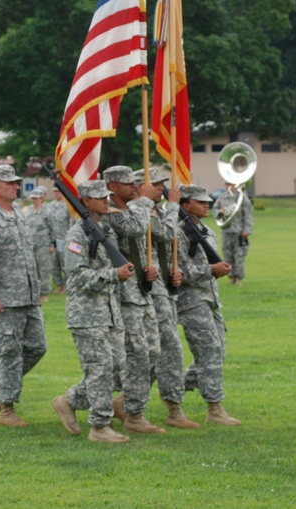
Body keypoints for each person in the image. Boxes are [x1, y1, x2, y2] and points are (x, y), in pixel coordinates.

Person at [51, 179, 134, 443]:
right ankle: (99, 427)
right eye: (100, 198)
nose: (106, 201)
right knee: (99, 369)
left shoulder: (105, 230)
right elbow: (75, 278)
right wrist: (113, 274)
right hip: (86, 314)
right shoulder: (76, 235)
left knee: (116, 367)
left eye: (107, 196)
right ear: (85, 201)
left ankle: (69, 400)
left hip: (108, 312)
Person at [0, 164, 47, 428]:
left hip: (26, 297)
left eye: (16, 182)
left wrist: (35, 291)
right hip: (3, 300)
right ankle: (7, 410)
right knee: (10, 353)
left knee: (37, 347)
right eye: (10, 183)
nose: (16, 186)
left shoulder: (17, 214)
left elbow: (27, 258)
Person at [102, 165, 164, 434]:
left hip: (141, 291)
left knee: (152, 353)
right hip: (124, 297)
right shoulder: (112, 214)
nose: (135, 187)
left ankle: (126, 403)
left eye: (135, 183)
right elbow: (137, 229)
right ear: (113, 187)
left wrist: (150, 269)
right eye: (128, 184)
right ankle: (133, 414)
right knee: (136, 355)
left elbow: (140, 248)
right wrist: (146, 200)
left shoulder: (129, 209)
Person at [138, 167, 199, 429]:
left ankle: (130, 402)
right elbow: (166, 234)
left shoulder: (157, 211)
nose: (163, 189)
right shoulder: (142, 211)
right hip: (146, 287)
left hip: (163, 284)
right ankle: (173, 408)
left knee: (157, 349)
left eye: (163, 184)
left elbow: (166, 246)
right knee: (165, 347)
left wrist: (175, 272)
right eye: (158, 184)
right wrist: (174, 206)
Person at [177, 184, 240, 426]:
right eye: (200, 201)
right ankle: (214, 408)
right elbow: (177, 271)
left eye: (207, 201)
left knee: (218, 352)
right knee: (209, 351)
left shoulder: (207, 231)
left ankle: (175, 387)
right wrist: (210, 270)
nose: (207, 205)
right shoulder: (177, 233)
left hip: (211, 299)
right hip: (191, 301)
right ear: (185, 205)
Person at [212, 182, 254, 284]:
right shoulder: (222, 197)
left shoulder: (242, 197)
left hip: (239, 231)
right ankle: (231, 277)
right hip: (226, 230)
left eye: (231, 184)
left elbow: (248, 214)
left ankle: (239, 278)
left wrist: (247, 230)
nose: (228, 186)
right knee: (227, 254)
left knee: (239, 255)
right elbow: (215, 208)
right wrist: (220, 212)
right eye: (226, 184)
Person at [25, 187, 53, 303]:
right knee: (32, 269)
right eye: (33, 198)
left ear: (42, 199)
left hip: (43, 245)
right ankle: (34, 292)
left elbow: (52, 229)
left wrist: (52, 244)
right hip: (31, 245)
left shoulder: (48, 211)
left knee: (43, 269)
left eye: (36, 198)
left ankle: (44, 292)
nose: (34, 200)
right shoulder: (28, 210)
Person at [45, 187, 72, 293]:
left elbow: (71, 222)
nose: (56, 193)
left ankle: (67, 285)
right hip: (53, 239)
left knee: (64, 263)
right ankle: (59, 284)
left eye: (58, 191)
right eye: (55, 191)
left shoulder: (67, 205)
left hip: (64, 238)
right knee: (54, 264)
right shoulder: (50, 206)